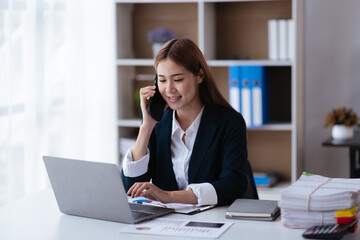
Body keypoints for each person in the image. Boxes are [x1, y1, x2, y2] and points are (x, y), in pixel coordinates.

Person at [121, 38, 249, 206]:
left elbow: (233, 186)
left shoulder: (229, 122)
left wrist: (169, 196)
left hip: (213, 222)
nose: (169, 89)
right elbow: (131, 188)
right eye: (162, 80)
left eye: (178, 79)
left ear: (200, 76)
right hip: (167, 224)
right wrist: (146, 127)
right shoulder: (158, 124)